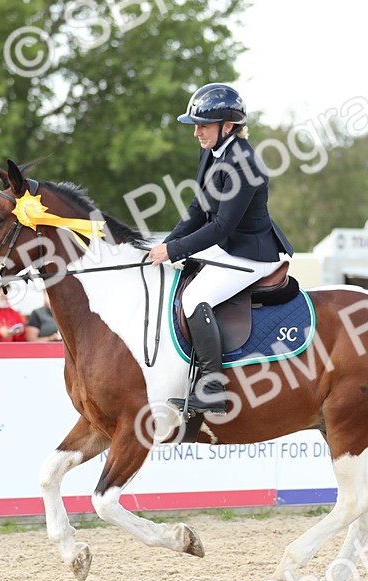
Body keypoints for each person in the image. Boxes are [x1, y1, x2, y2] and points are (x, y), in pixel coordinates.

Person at [145, 83, 294, 415]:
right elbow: (198, 210)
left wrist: (175, 250)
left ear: (228, 126)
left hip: (249, 253)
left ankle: (213, 389)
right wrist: (168, 245)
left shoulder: (244, 163)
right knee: (174, 278)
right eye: (196, 125)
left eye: (203, 125)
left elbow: (221, 226)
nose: (197, 132)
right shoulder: (211, 151)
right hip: (226, 246)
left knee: (197, 297)